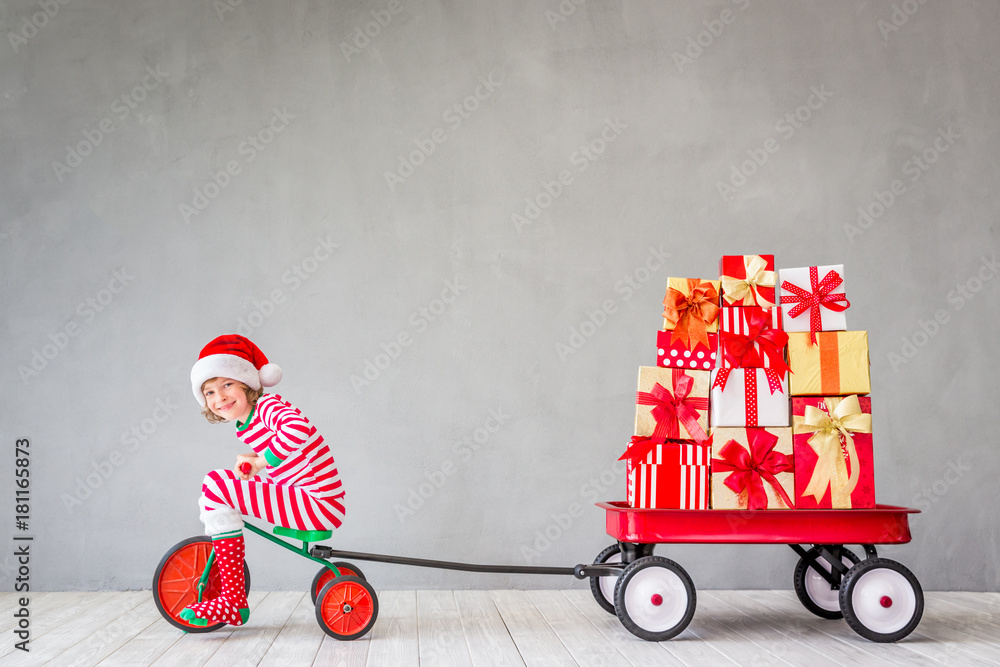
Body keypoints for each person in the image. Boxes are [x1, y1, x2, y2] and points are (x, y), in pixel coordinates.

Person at [179, 335, 345, 627]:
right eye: (209, 392)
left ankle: (232, 600)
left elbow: (298, 429)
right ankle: (230, 588)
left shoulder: (267, 406)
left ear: (246, 383)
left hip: (317, 502)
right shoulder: (248, 423)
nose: (220, 398)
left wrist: (262, 460)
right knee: (219, 486)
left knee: (216, 485)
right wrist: (255, 462)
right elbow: (288, 456)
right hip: (304, 496)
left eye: (227, 384)